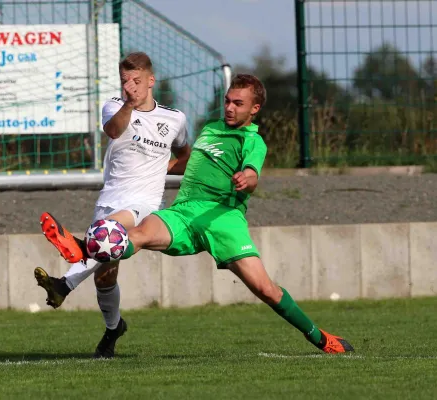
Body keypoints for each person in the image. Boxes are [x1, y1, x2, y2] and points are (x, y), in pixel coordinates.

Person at [40, 73, 355, 355]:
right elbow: (184, 164)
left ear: (254, 109)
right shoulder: (209, 129)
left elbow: (252, 171)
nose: (229, 107)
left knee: (265, 289)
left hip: (223, 219)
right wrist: (149, 171)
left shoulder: (252, 141)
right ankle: (86, 248)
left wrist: (248, 179)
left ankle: (318, 337)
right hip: (184, 213)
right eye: (227, 101)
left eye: (238, 103)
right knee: (133, 234)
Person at [35, 52, 192, 359]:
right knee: (104, 278)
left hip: (144, 205)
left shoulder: (174, 119)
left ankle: (64, 284)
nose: (129, 86)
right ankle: (113, 329)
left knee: (106, 236)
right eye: (124, 81)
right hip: (110, 200)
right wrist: (129, 105)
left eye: (135, 81)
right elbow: (114, 130)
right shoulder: (113, 107)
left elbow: (186, 156)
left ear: (150, 81)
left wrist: (165, 170)